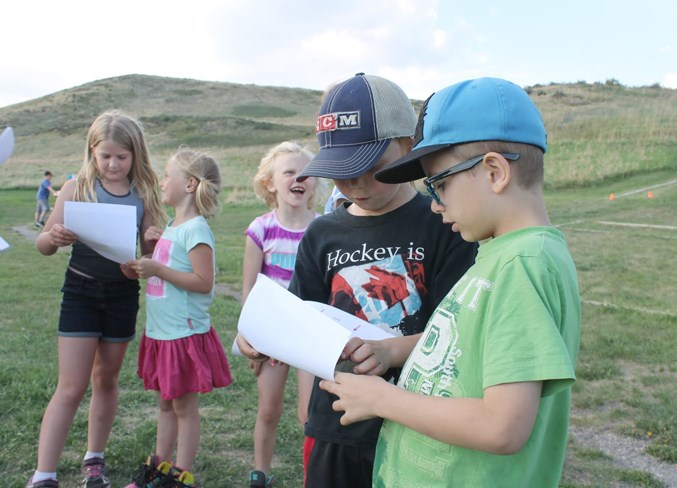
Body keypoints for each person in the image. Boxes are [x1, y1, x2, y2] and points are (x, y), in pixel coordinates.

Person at [320, 77, 582, 487]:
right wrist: (391, 351)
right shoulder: (501, 254)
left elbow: (503, 426)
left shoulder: (521, 264)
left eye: (439, 185)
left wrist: (384, 399)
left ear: (494, 171)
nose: (437, 205)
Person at [237, 73, 477, 488]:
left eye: (371, 168)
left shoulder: (445, 223)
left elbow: (460, 332)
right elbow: (301, 319)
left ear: (408, 146)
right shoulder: (321, 234)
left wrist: (390, 352)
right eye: (341, 172)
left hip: (418, 426)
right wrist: (263, 338)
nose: (354, 184)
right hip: (335, 426)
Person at [28, 110, 165, 488]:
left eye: (121, 156)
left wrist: (151, 246)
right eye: (105, 155)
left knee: (106, 380)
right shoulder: (76, 188)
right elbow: (43, 246)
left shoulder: (144, 193)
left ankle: (94, 459)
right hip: (80, 292)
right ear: (92, 152)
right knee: (71, 386)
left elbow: (149, 255)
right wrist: (51, 238)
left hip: (122, 295)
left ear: (136, 154)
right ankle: (44, 474)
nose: (113, 164)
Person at [124, 150, 233, 487]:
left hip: (182, 335)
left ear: (188, 183)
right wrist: (151, 252)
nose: (161, 181)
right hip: (161, 333)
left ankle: (180, 475)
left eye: (167, 174)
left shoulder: (196, 229)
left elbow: (203, 282)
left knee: (184, 409)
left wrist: (159, 268)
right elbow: (168, 270)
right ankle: (160, 465)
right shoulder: (173, 226)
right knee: (166, 406)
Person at [242, 141, 325, 488]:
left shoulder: (324, 228)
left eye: (305, 173)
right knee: (268, 410)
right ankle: (261, 472)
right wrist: (250, 336)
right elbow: (249, 290)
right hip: (273, 335)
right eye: (289, 172)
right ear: (270, 183)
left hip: (310, 333)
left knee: (310, 415)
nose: (298, 178)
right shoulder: (260, 229)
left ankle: (314, 476)